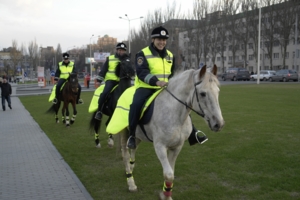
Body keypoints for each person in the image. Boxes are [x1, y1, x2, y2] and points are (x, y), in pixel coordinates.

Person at [127, 26, 208, 149]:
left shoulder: (170, 55)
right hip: (146, 87)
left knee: (183, 104)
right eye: (159, 39)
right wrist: (156, 81)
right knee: (136, 104)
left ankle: (193, 133)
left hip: (165, 87)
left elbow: (172, 74)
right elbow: (142, 72)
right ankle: (132, 135)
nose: (162, 42)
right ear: (153, 39)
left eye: (164, 40)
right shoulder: (142, 54)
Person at [94, 42, 130, 120]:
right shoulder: (110, 58)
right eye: (120, 50)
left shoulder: (127, 60)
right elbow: (103, 70)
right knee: (104, 93)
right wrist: (99, 80)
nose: (121, 52)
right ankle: (99, 111)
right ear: (116, 50)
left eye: (123, 50)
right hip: (111, 81)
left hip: (123, 81)